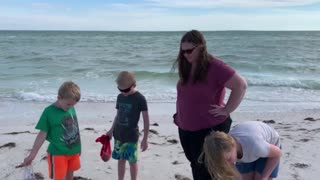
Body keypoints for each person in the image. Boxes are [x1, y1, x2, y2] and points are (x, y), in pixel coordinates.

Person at [172, 29, 247, 180]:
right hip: (186, 128)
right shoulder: (187, 65)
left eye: (189, 51)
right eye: (183, 51)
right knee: (195, 165)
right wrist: (179, 116)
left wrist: (226, 110)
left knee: (207, 169)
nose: (185, 55)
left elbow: (241, 85)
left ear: (201, 47)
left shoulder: (215, 66)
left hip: (208, 128)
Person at [21, 81, 82, 180]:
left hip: (73, 151)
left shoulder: (70, 107)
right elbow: (42, 134)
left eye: (73, 105)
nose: (70, 107)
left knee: (70, 174)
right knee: (59, 177)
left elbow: (75, 128)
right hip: (58, 154)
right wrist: (32, 154)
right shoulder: (49, 112)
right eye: (68, 104)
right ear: (59, 98)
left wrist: (79, 149)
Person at [202, 121, 282, 180]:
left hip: (270, 150)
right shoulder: (225, 150)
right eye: (224, 162)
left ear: (233, 145)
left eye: (229, 159)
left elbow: (278, 154)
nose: (228, 164)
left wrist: (264, 177)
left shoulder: (256, 146)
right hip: (246, 150)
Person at [106, 71, 150, 180]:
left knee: (132, 161)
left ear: (134, 85)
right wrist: (111, 130)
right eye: (120, 89)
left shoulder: (140, 99)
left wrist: (145, 138)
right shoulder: (120, 97)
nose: (123, 92)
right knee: (120, 160)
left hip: (131, 136)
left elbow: (146, 120)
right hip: (119, 135)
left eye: (126, 90)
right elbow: (118, 115)